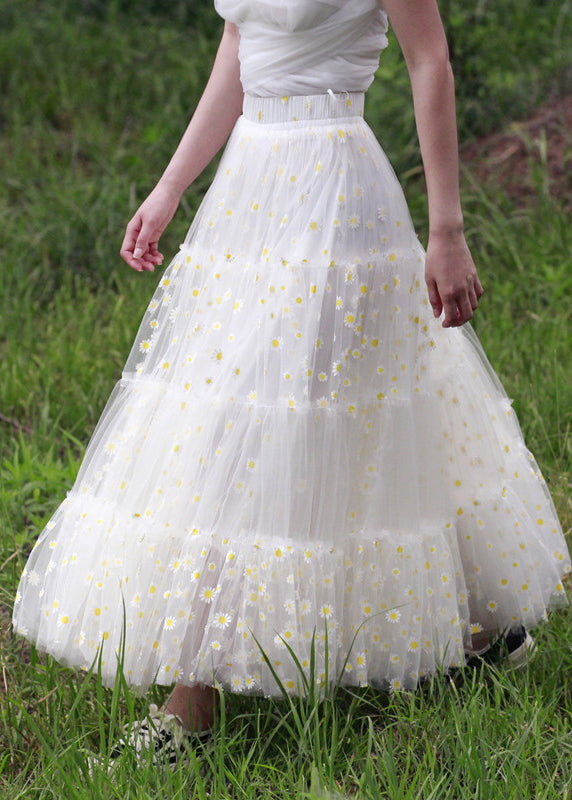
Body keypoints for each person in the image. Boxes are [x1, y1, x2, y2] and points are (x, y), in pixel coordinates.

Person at [13, 0, 570, 769]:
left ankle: (199, 698)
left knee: (326, 410)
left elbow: (429, 60)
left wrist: (447, 231)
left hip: (335, 186)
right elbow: (241, 50)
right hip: (251, 188)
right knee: (228, 414)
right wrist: (172, 186)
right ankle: (471, 627)